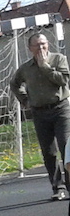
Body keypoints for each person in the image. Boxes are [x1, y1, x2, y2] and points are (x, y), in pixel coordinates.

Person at [9, 31, 70, 201]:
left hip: (61, 109)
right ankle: (58, 187)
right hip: (40, 112)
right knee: (49, 151)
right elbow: (14, 84)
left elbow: (63, 80)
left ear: (47, 44)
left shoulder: (58, 59)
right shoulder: (26, 68)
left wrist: (45, 67)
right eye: (36, 45)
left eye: (43, 44)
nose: (41, 47)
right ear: (30, 48)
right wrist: (25, 100)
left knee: (66, 147)